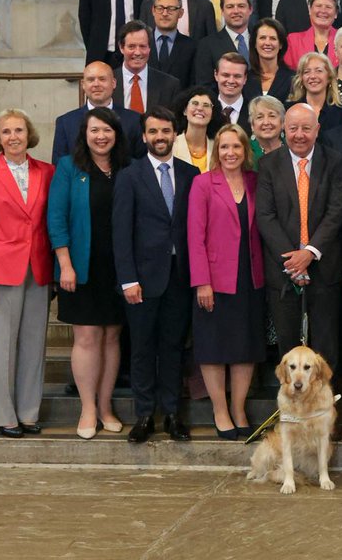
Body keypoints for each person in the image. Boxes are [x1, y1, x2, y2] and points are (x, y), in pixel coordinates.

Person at [254, 103, 342, 439]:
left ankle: (327, 418)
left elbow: (337, 211)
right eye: (292, 128)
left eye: (306, 128)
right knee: (288, 348)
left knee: (325, 348)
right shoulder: (268, 164)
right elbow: (264, 216)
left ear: (317, 129)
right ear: (283, 128)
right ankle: (292, 420)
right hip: (283, 273)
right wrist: (291, 260)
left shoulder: (335, 162)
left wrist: (309, 253)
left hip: (324, 268)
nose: (298, 134)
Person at [113, 106, 199, 444]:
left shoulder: (191, 174)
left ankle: (173, 414)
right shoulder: (129, 175)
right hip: (142, 280)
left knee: (174, 347)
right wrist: (127, 279)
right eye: (153, 132)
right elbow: (121, 232)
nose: (160, 137)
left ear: (174, 133)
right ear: (144, 135)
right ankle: (145, 414)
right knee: (143, 348)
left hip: (180, 276)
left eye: (166, 131)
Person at [0, 109, 54, 438]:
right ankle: (5, 415)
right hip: (1, 268)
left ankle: (28, 412)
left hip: (38, 267)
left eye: (19, 130)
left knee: (34, 345)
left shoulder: (47, 172)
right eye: (6, 132)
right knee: (2, 345)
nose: (14, 136)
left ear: (29, 134)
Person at [47, 107, 129, 439]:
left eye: (107, 130)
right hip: (80, 267)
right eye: (94, 130)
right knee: (86, 338)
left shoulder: (127, 168)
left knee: (111, 337)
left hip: (119, 268)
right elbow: (56, 218)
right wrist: (64, 264)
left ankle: (106, 405)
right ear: (85, 133)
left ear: (116, 134)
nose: (101, 136)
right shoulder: (69, 168)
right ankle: (88, 408)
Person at [187, 124, 265, 440]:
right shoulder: (203, 184)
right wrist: (202, 282)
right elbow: (195, 236)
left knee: (245, 346)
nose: (230, 153)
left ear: (246, 151)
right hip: (216, 281)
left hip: (250, 277)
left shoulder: (255, 182)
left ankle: (239, 408)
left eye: (236, 147)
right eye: (224, 147)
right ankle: (220, 409)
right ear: (216, 151)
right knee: (214, 348)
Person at [52, 62, 144, 161]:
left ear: (113, 83)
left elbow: (141, 165)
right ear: (83, 84)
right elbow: (59, 166)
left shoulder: (135, 120)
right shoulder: (65, 122)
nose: (96, 84)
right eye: (91, 80)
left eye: (102, 79)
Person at [193, 0, 255, 85]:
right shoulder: (207, 45)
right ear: (222, 11)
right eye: (230, 7)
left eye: (241, 6)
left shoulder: (261, 40)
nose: (236, 11)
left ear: (250, 9)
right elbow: (205, 86)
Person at [113, 21, 180, 112]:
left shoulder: (169, 85)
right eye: (131, 47)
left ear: (149, 48)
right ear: (121, 47)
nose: (137, 52)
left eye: (142, 46)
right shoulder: (107, 82)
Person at [143, 0, 198, 89]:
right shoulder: (141, 43)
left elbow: (193, 84)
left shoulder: (192, 47)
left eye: (171, 9)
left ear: (180, 13)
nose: (165, 13)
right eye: (160, 8)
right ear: (153, 11)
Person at [283, 0, 342, 68]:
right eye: (318, 6)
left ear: (336, 13)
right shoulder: (293, 41)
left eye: (328, 7)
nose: (323, 11)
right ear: (310, 10)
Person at [286, 51, 342, 131]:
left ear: (329, 77)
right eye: (307, 72)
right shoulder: (289, 109)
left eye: (319, 71)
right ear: (301, 78)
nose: (313, 76)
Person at [172, 86, 221, 173]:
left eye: (206, 105)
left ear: (213, 114)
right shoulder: (172, 145)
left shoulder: (218, 147)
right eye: (195, 103)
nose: (200, 108)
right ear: (184, 110)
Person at [247, 18, 295, 103]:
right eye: (262, 38)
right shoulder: (245, 78)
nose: (268, 43)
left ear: (280, 44)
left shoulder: (293, 79)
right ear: (254, 43)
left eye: (273, 38)